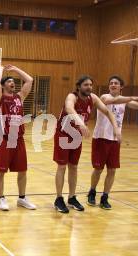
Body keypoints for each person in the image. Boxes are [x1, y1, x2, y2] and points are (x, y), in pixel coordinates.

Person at [53, 75, 121, 213]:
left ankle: (71, 197)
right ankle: (59, 199)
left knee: (74, 167)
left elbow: (107, 112)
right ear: (79, 87)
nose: (89, 87)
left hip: (76, 136)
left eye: (91, 85)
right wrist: (81, 124)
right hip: (64, 135)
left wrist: (115, 128)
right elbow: (69, 108)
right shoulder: (72, 96)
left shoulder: (93, 98)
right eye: (86, 85)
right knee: (62, 166)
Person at [88, 76, 138, 209]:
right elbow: (114, 100)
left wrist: (131, 100)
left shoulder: (124, 101)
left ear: (121, 86)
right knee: (98, 169)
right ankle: (92, 191)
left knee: (112, 170)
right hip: (101, 138)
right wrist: (132, 97)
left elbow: (132, 104)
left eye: (116, 83)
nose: (113, 85)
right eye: (111, 83)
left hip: (115, 140)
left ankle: (105, 196)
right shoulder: (104, 97)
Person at [0, 64, 36, 211]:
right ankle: (1, 199)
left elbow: (29, 80)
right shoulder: (0, 98)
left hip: (18, 139)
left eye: (14, 81)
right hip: (4, 139)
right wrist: (0, 68)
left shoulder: (19, 97)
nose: (13, 83)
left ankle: (22, 198)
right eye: (9, 81)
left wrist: (16, 69)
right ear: (4, 86)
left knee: (23, 170)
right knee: (1, 171)